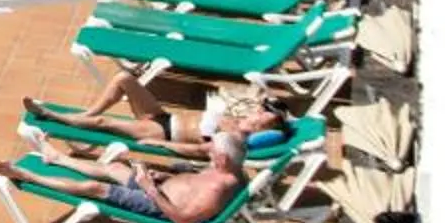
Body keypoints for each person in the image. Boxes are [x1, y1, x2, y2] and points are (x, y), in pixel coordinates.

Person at [0, 127, 247, 223]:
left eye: (212, 152)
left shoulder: (218, 190)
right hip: (160, 187)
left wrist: (149, 188)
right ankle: (58, 159)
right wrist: (161, 176)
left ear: (223, 159)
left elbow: (182, 219)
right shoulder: (231, 169)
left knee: (95, 188)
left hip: (157, 204)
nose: (208, 152)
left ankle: (28, 176)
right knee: (115, 168)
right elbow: (192, 183)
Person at [27, 70, 287, 157]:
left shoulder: (236, 137)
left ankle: (50, 116)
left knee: (102, 122)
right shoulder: (240, 118)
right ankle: (84, 115)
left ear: (266, 125)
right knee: (124, 78)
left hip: (163, 132)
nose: (259, 109)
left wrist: (158, 144)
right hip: (163, 117)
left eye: (264, 113)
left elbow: (198, 152)